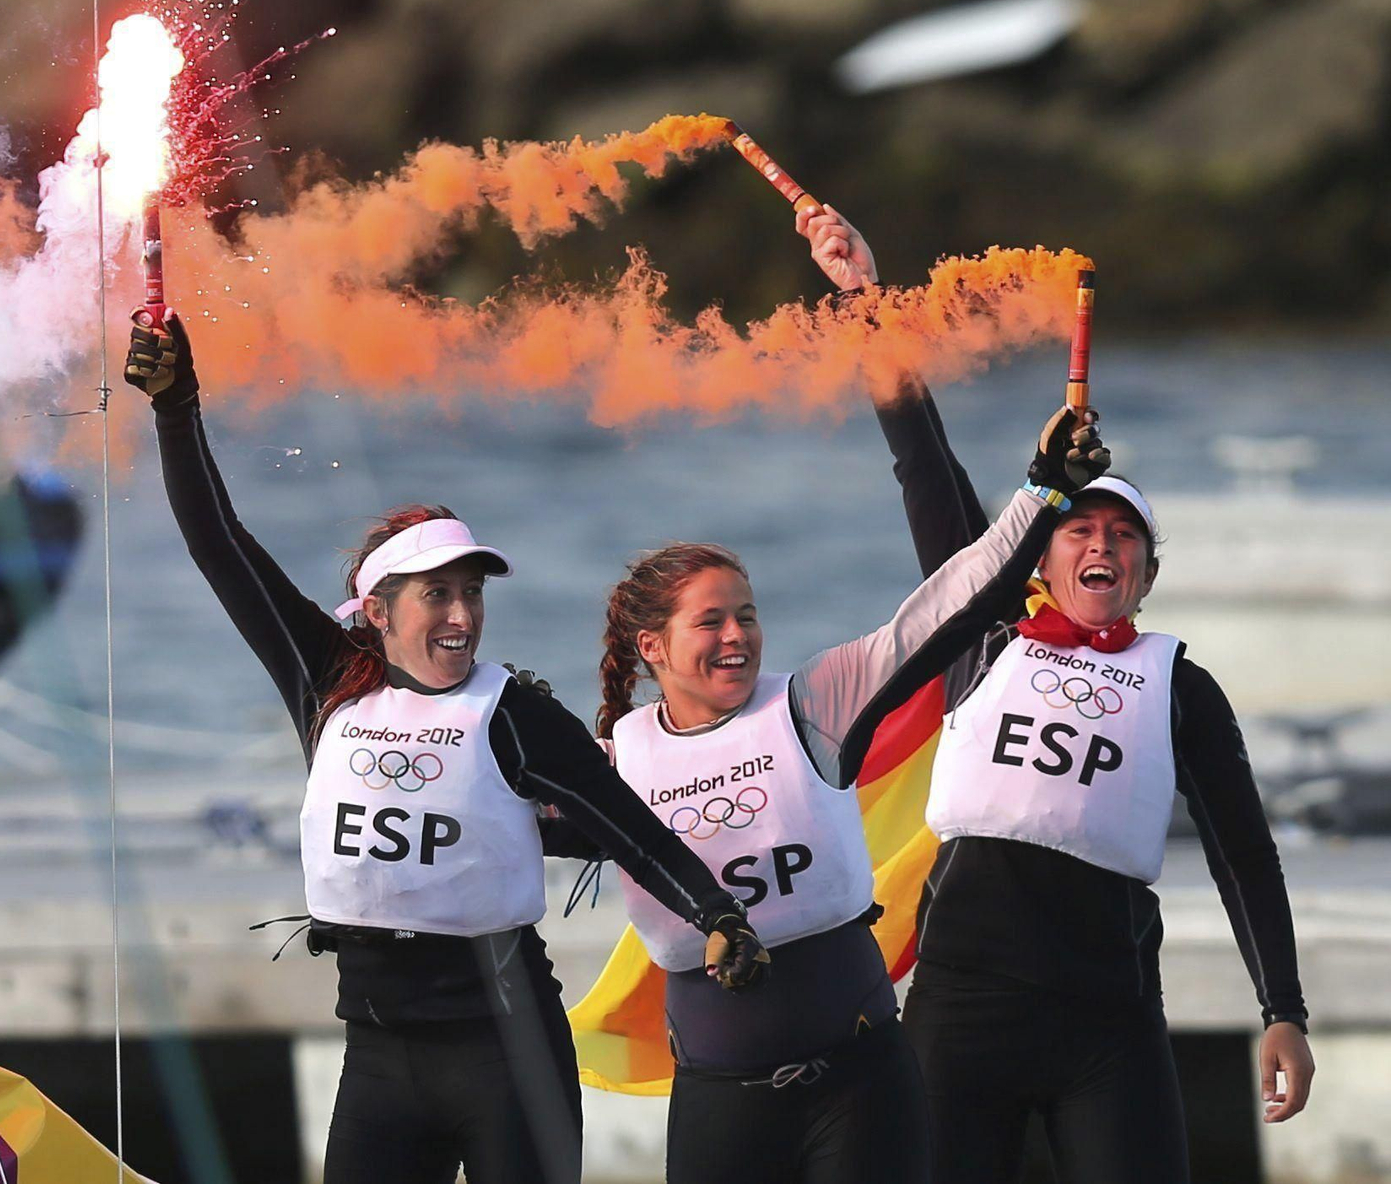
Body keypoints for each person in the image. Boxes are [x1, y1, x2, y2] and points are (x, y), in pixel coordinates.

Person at [122, 317, 769, 1184]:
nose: (462, 616)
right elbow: (220, 545)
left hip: (506, 1057)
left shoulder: (513, 714)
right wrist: (176, 408)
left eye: (471, 594)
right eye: (438, 596)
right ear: (379, 612)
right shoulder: (326, 681)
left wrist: (719, 916)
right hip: (379, 1059)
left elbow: (629, 831)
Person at [588, 204, 1114, 1184]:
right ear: (650, 646)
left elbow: (958, 584)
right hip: (745, 1093)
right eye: (713, 622)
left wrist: (1044, 489)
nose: (739, 635)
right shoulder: (618, 765)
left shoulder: (818, 703)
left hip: (909, 1067)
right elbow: (471, 821)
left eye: (747, 614)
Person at [797, 202, 1317, 1183]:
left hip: (1106, 1024)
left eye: (1124, 537)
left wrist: (1280, 1009)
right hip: (962, 1013)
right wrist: (865, 303)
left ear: (1146, 575)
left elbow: (1244, 854)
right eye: (1080, 528)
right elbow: (924, 465)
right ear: (1042, 551)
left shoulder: (1178, 687)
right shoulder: (979, 635)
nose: (1101, 545)